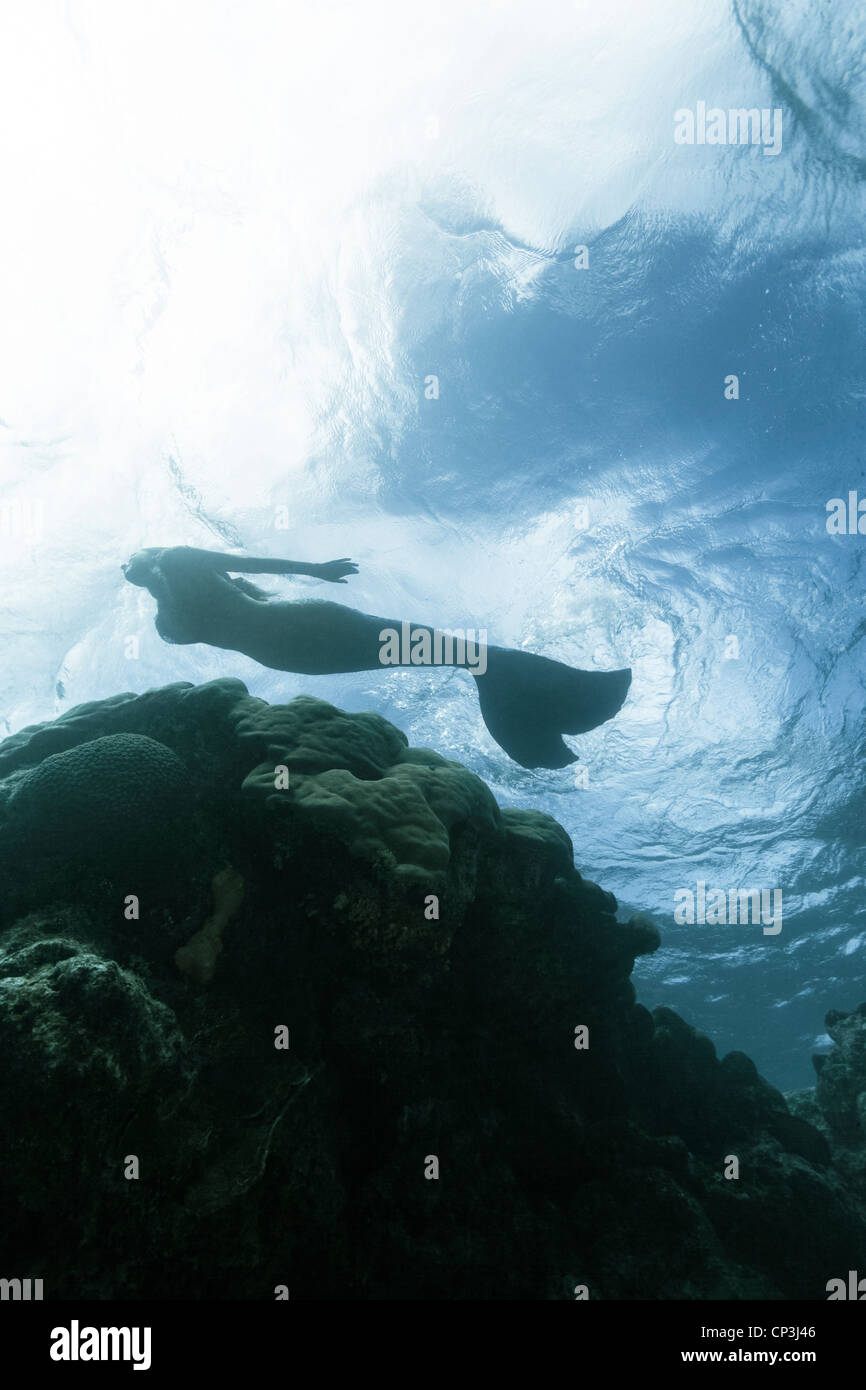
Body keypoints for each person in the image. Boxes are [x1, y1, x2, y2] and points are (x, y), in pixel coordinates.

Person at [122, 545, 631, 769]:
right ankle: (548, 708)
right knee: (464, 656)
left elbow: (240, 567)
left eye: (130, 555)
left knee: (463, 655)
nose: (127, 561)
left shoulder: (174, 586)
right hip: (299, 641)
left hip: (298, 638)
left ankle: (562, 704)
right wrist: (315, 571)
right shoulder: (171, 591)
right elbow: (234, 575)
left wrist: (316, 570)